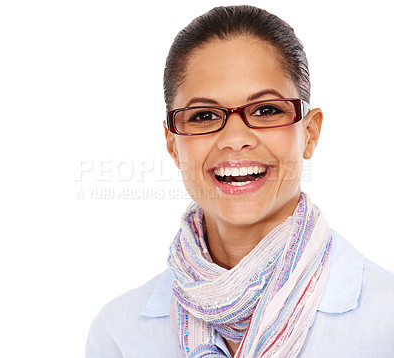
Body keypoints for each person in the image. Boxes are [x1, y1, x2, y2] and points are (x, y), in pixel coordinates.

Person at [85, 5, 394, 357]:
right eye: (203, 115)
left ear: (309, 133)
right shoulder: (118, 335)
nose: (235, 138)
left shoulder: (386, 320)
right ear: (173, 145)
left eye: (266, 110)